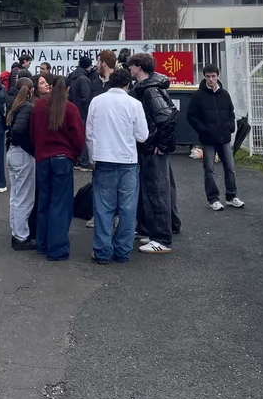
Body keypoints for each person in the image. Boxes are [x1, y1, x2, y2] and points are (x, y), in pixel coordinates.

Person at [86, 68, 148, 264]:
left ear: (109, 82)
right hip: (128, 161)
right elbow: (142, 135)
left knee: (103, 209)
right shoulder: (134, 104)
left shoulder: (97, 101)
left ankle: (102, 252)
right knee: (128, 209)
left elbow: (89, 133)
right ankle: (122, 251)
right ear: (128, 83)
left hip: (103, 159)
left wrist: (92, 157)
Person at [29, 75, 85, 261]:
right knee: (60, 205)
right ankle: (57, 248)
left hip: (43, 159)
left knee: (44, 202)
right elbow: (78, 136)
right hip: (62, 159)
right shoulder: (70, 108)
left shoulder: (38, 107)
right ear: (67, 90)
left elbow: (33, 132)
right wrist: (75, 155)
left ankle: (42, 243)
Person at [129, 53, 179, 254]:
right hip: (151, 147)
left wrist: (162, 145)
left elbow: (166, 118)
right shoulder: (150, 88)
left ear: (139, 67)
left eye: (131, 66)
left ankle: (162, 239)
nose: (129, 69)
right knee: (155, 189)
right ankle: (153, 232)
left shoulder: (150, 91)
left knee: (157, 190)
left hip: (152, 149)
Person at [186, 64, 242, 211]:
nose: (211, 79)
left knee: (230, 168)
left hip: (224, 138)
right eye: (208, 76)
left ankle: (232, 196)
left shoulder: (224, 94)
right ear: (204, 77)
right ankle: (213, 198)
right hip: (208, 139)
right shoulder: (198, 96)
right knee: (209, 169)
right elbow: (191, 116)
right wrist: (204, 130)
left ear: (218, 76)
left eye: (213, 76)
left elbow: (231, 112)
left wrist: (230, 126)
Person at [6, 78, 37, 251]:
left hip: (13, 153)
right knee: (24, 197)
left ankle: (17, 232)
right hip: (22, 154)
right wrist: (29, 146)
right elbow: (18, 131)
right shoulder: (27, 107)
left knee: (16, 196)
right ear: (31, 90)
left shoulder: (16, 105)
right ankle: (21, 236)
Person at [68, 55, 95, 171]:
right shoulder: (83, 79)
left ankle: (78, 160)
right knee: (84, 135)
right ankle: (84, 161)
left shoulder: (74, 76)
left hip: (76, 109)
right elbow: (86, 96)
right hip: (83, 112)